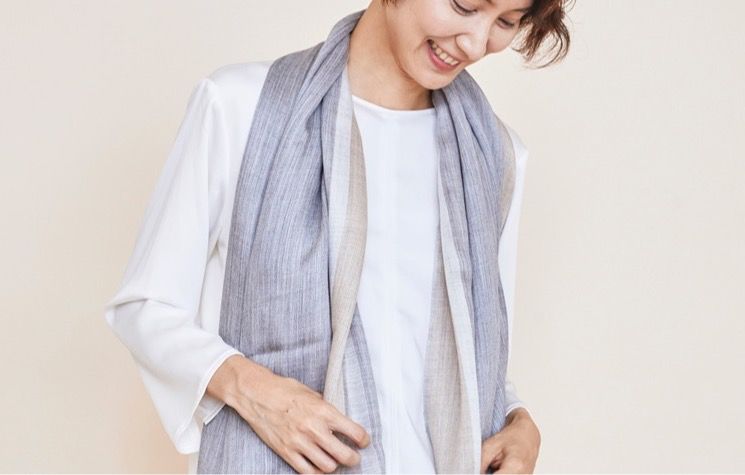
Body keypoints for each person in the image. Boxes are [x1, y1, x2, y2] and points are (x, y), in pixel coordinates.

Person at [104, 0, 571, 473]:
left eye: (506, 21)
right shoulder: (241, 108)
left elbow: (467, 353)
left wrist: (518, 418)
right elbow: (146, 307)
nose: (475, 42)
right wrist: (256, 392)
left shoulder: (495, 154)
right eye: (464, 5)